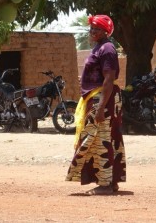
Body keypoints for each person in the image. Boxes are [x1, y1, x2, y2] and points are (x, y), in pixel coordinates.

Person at [66, 14, 126, 194]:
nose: (92, 31)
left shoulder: (107, 49)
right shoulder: (99, 48)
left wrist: (100, 108)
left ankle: (106, 184)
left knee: (101, 139)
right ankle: (109, 180)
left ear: (105, 31)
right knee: (102, 138)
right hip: (98, 98)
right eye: (91, 28)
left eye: (96, 28)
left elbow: (108, 80)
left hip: (103, 99)